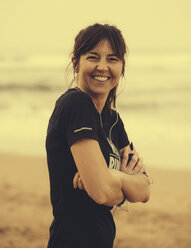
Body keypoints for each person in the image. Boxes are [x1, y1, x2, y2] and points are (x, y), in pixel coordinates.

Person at [46, 23, 151, 248]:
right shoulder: (76, 103)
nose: (102, 67)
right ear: (76, 63)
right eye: (93, 57)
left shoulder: (112, 120)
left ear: (121, 67)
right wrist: (122, 183)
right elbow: (102, 193)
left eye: (112, 59)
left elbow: (144, 190)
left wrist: (112, 177)